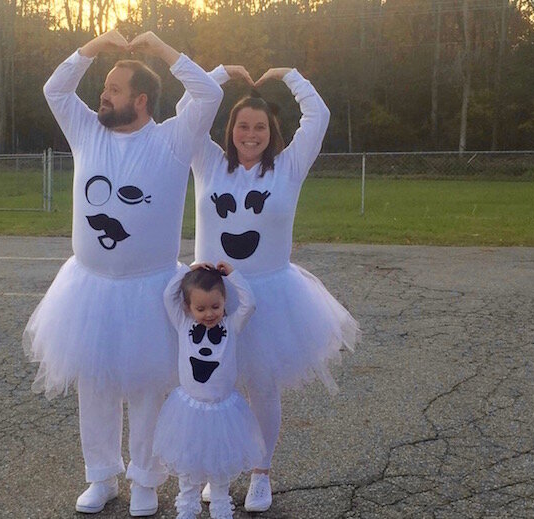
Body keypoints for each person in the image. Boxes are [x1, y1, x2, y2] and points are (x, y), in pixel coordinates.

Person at [22, 30, 223, 516]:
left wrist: (161, 49)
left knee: (150, 390)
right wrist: (93, 49)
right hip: (88, 287)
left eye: (113, 88)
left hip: (149, 288)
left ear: (141, 99)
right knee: (96, 386)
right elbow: (55, 90)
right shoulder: (86, 130)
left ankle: (148, 481)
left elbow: (210, 93)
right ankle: (101, 477)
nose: (103, 95)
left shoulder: (174, 139)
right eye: (103, 87)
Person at [176, 65, 360, 512]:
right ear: (230, 129)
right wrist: (215, 75)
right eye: (242, 125)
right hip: (213, 296)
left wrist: (293, 77)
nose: (251, 134)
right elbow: (186, 111)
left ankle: (261, 472)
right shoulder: (208, 161)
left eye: (259, 127)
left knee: (261, 388)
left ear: (271, 132)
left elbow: (318, 116)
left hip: (273, 295)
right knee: (211, 388)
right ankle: (216, 469)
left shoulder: (288, 168)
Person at [154, 261, 264, 519]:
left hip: (223, 410)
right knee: (188, 463)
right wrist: (187, 271)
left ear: (224, 302)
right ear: (188, 307)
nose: (209, 314)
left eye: (215, 306)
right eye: (200, 308)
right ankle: (187, 508)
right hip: (188, 409)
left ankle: (220, 508)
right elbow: (168, 296)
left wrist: (233, 275)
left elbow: (250, 303)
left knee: (220, 465)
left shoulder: (231, 326)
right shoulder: (183, 323)